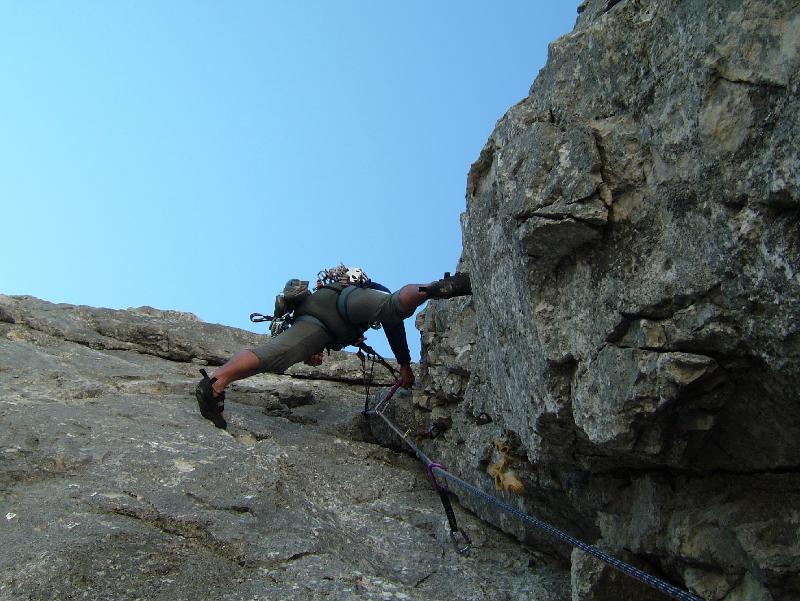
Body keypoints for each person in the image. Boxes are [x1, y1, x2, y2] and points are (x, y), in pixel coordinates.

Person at [196, 267, 471, 429]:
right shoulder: (368, 289)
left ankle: (217, 381)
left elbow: (312, 353)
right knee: (393, 306)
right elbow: (392, 319)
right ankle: (434, 288)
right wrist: (403, 363)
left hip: (314, 319)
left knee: (272, 356)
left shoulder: (322, 292)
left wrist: (313, 353)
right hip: (343, 306)